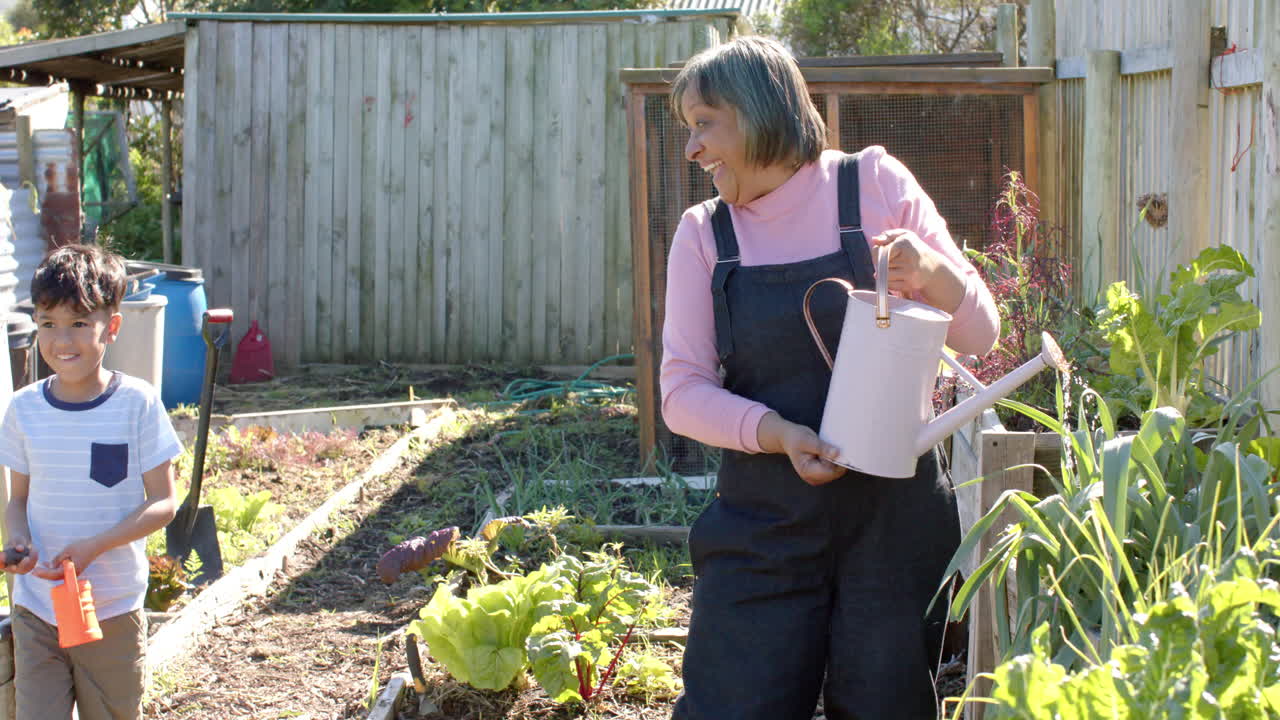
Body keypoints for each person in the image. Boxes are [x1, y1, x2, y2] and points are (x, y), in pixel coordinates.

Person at [661, 36, 1000, 720]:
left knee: (886, 703)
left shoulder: (873, 184)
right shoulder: (704, 235)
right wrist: (777, 433)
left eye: (704, 124)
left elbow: (980, 336)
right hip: (763, 521)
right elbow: (681, 392)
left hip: (894, 524)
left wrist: (933, 276)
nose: (692, 149)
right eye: (687, 129)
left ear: (759, 112)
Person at [0, 244, 182, 720]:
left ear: (113, 327)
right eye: (48, 323)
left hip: (112, 610)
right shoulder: (23, 410)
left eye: (79, 323)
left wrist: (95, 546)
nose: (62, 341)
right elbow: (17, 501)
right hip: (38, 609)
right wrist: (17, 540)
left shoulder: (137, 404)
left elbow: (164, 502)